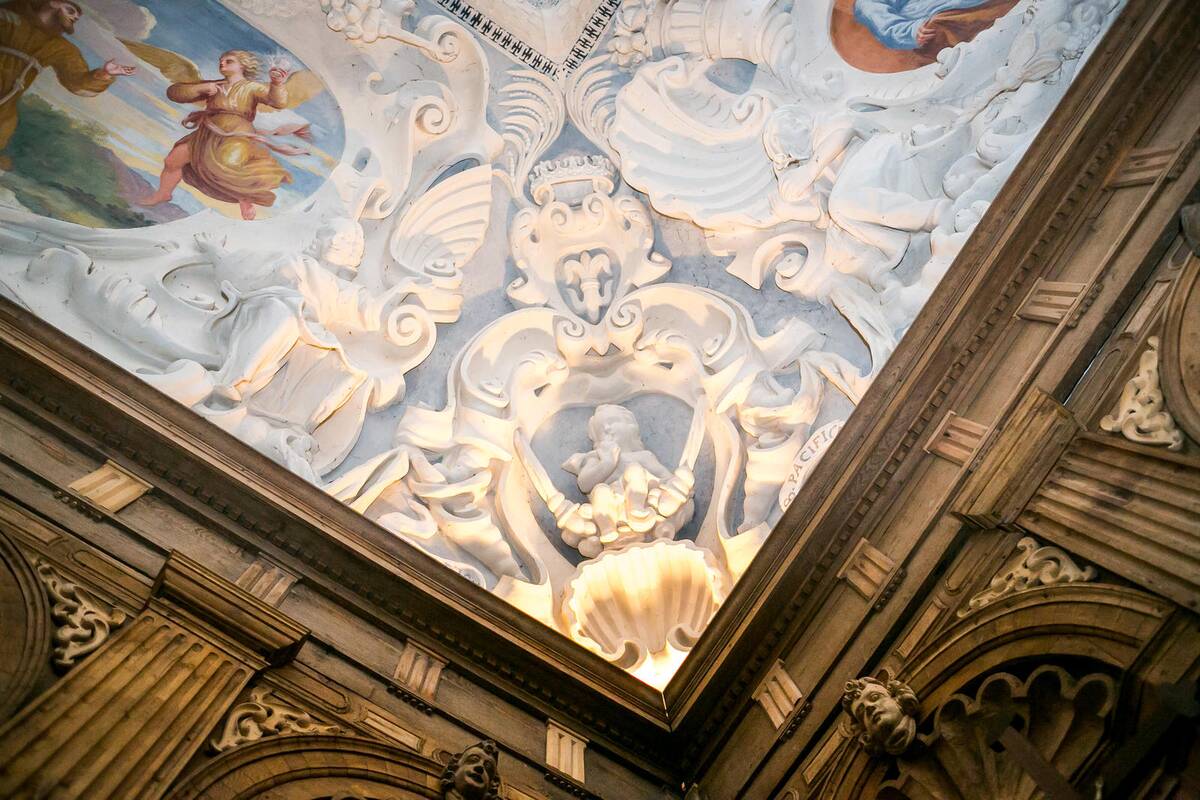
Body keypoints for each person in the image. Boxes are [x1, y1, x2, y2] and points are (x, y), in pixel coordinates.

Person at [139, 50, 306, 220]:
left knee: (228, 165)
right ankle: (163, 193)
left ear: (243, 66)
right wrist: (201, 88)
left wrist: (277, 83)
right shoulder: (214, 85)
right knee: (173, 159)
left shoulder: (252, 87)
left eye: (229, 61)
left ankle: (245, 196)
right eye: (221, 61)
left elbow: (278, 102)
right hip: (207, 132)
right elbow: (174, 93)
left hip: (236, 134)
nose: (222, 63)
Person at [0, 0, 135, 168]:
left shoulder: (59, 47)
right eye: (71, 10)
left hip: (5, 108)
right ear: (54, 3)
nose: (75, 17)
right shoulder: (7, 18)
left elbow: (77, 82)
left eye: (77, 15)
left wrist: (105, 74)